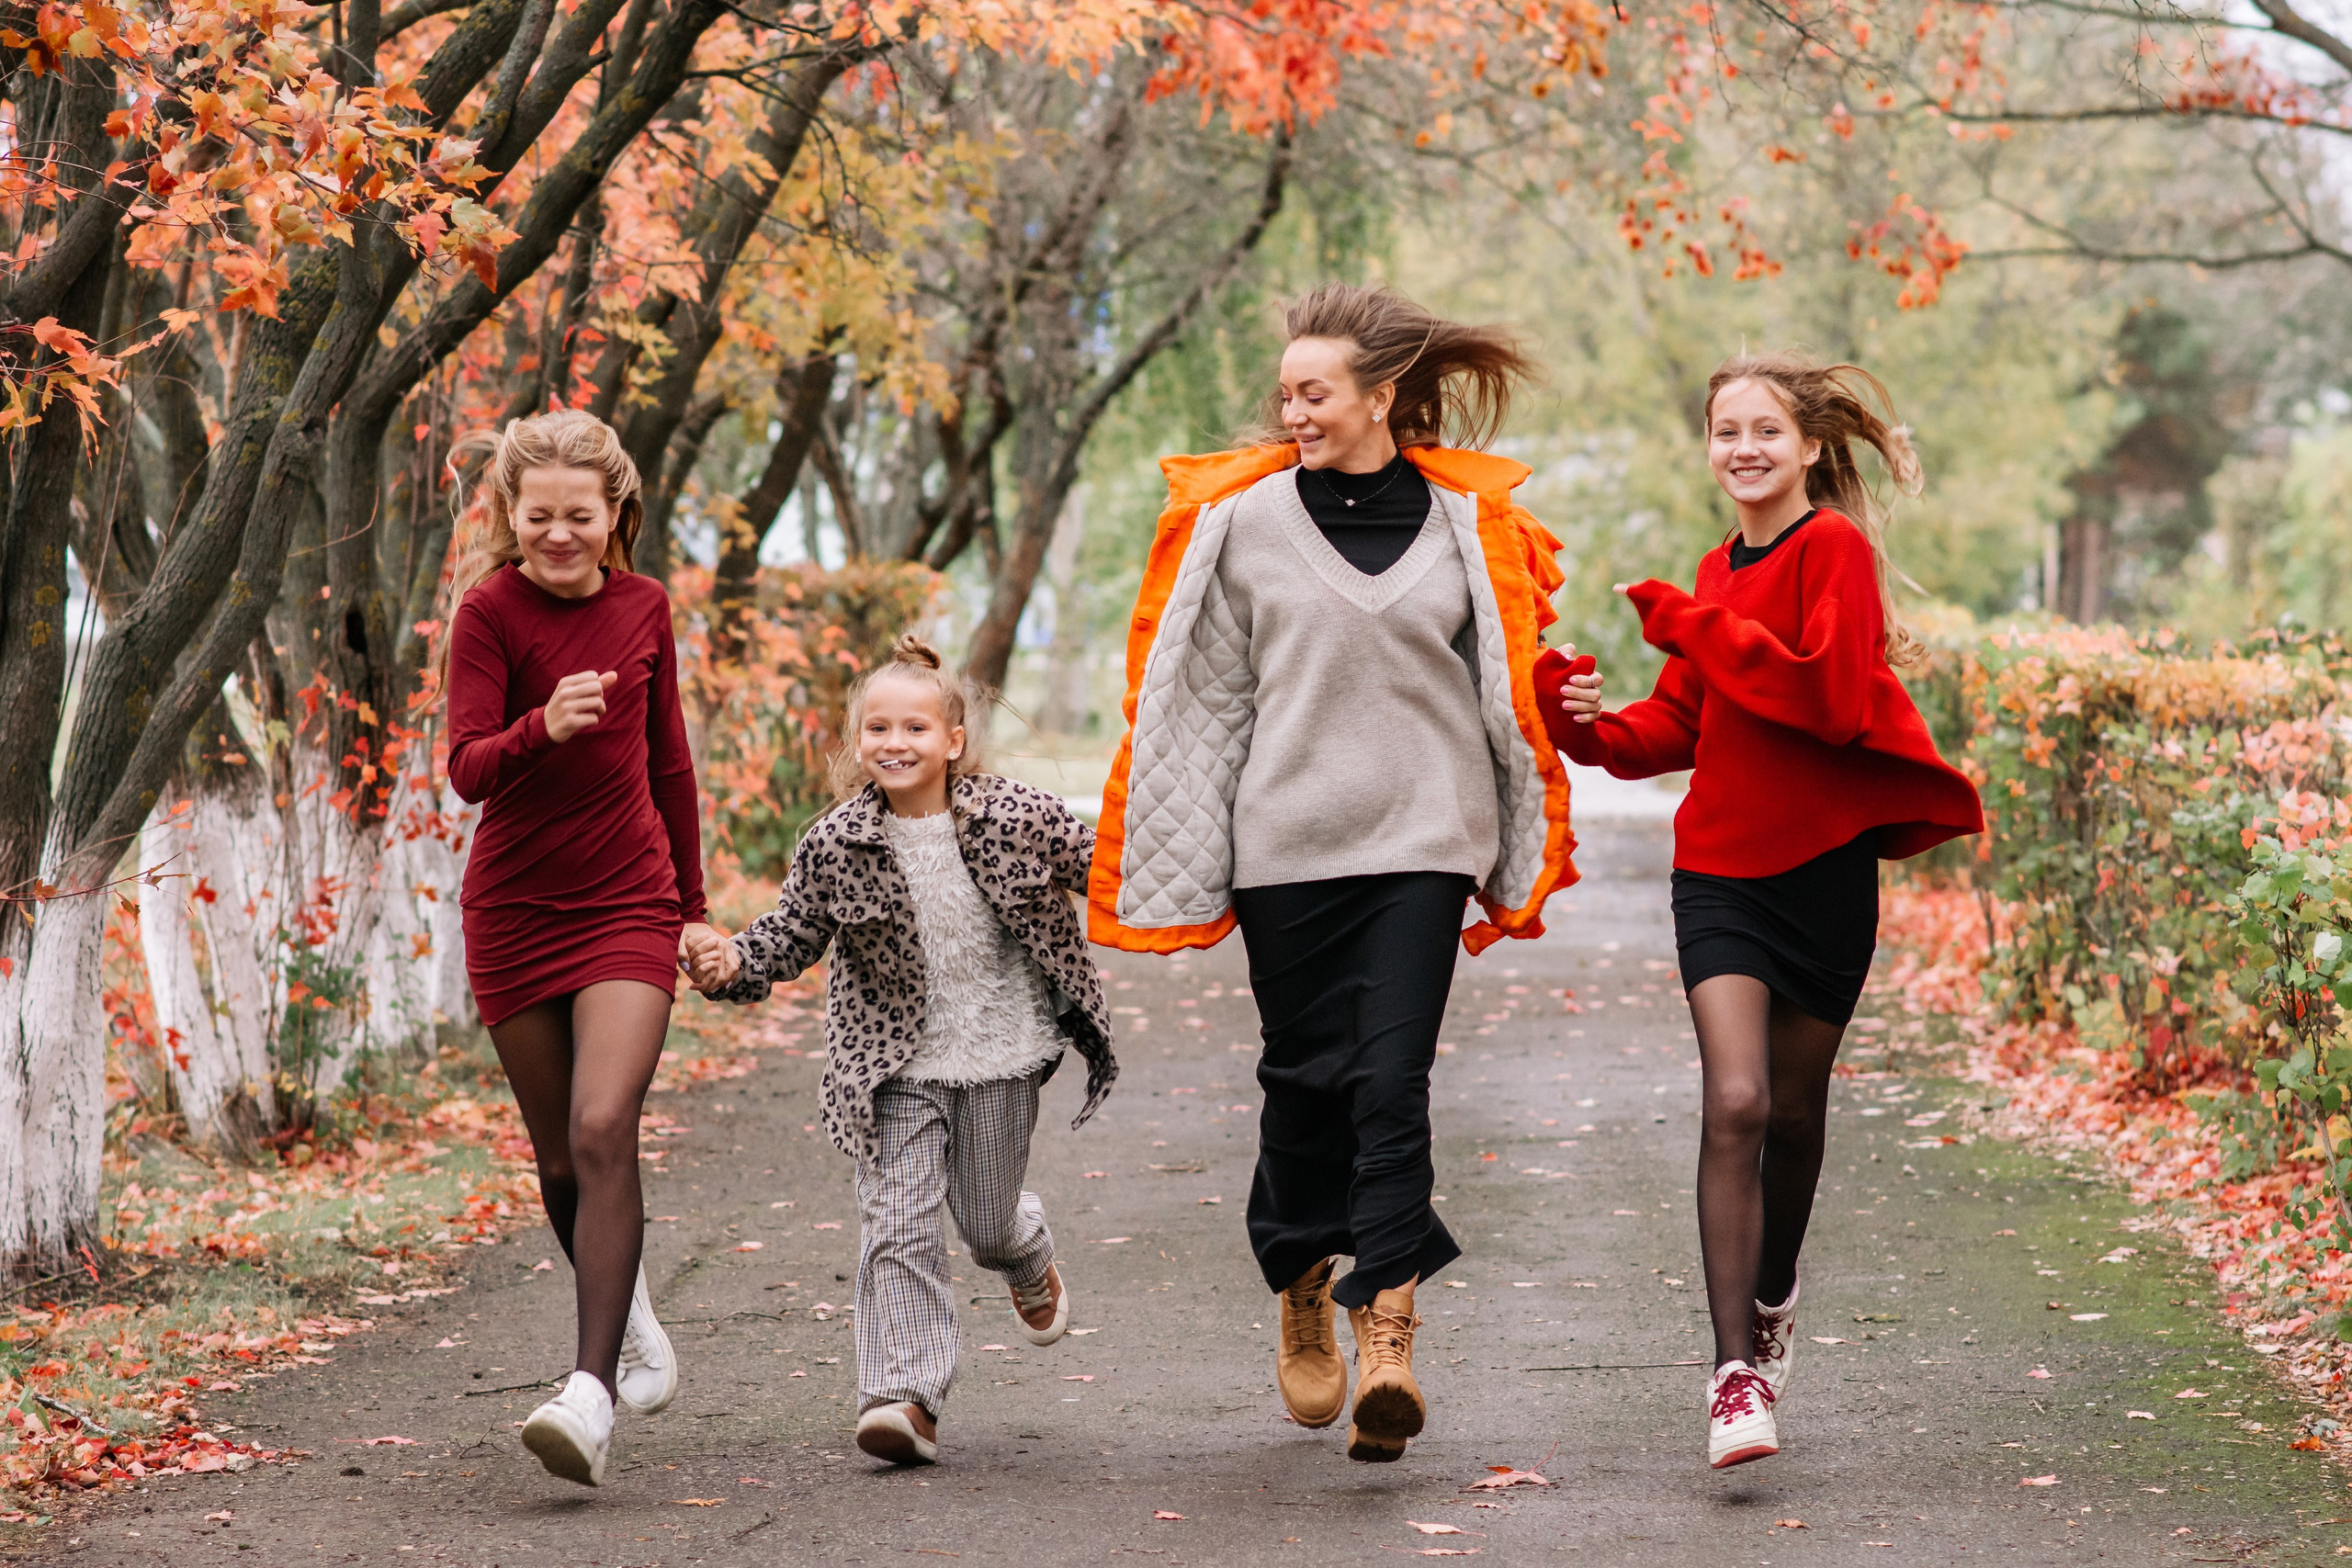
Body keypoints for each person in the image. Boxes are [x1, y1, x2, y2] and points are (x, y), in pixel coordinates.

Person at [1089, 283, 1580, 1463]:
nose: (1292, 412)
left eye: (1313, 393)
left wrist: (1561, 702)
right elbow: (1206, 700)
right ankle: (1302, 1278)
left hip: (1425, 839)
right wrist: (1181, 846)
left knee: (1390, 1078)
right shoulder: (1244, 522)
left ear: (1381, 397)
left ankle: (1389, 1331)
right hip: (1288, 847)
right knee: (1304, 1080)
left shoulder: (1468, 523)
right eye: (1286, 394)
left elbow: (1503, 680)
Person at [1533, 353, 1984, 1469]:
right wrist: (1579, 721)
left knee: (1792, 1115)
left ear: (1809, 447)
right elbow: (1677, 730)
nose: (1744, 449)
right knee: (1735, 1101)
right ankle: (1733, 1376)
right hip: (1721, 874)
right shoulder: (1711, 573)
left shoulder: (1831, 552)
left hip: (1824, 873)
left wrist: (1694, 625)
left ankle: (1774, 1291)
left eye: (1766, 430)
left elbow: (1826, 700)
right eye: (1725, 431)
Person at [684, 636, 1117, 1468]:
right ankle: (904, 1394)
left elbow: (1102, 863)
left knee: (985, 1218)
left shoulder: (1017, 815)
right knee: (898, 1221)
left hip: (1001, 1052)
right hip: (892, 1066)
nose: (895, 742)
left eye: (914, 727)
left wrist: (1189, 873)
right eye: (877, 727)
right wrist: (733, 960)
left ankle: (1025, 1251)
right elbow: (791, 932)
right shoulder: (835, 842)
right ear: (857, 741)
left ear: (953, 738)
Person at [440, 409, 719, 1487]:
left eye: (580, 516)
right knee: (559, 1159)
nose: (559, 534)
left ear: (615, 517)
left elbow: (670, 764)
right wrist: (539, 727)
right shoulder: (488, 612)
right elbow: (466, 768)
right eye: (539, 515)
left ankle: (588, 1395)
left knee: (604, 1125)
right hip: (513, 910)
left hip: (627, 902)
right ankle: (631, 1314)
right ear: (511, 516)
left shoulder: (644, 607)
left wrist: (692, 908)